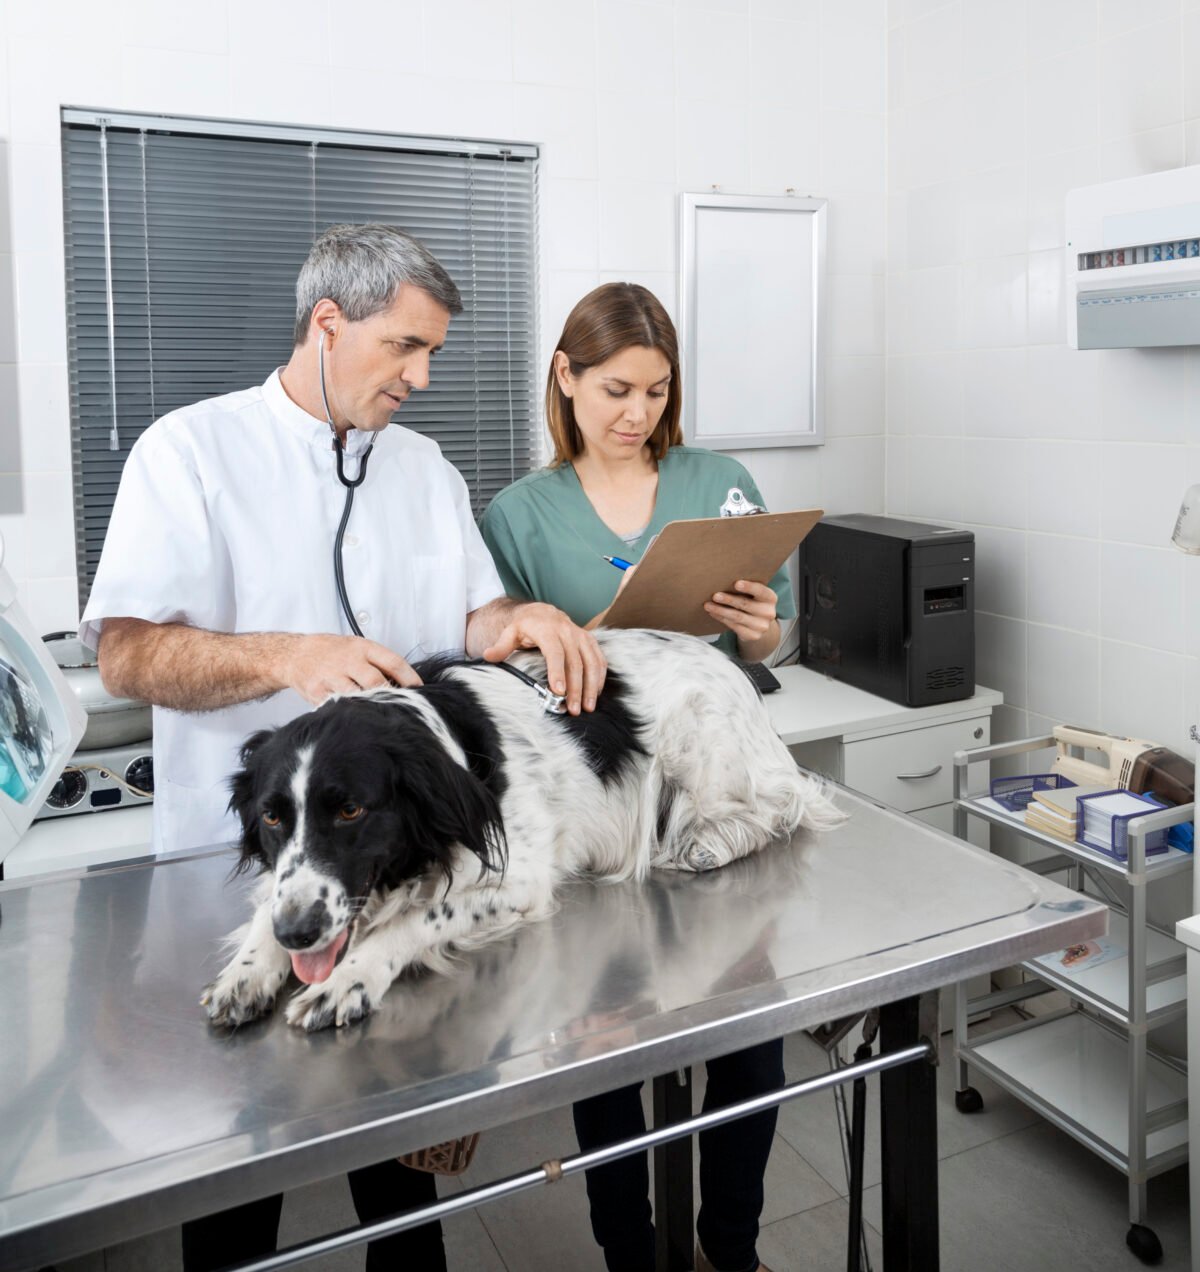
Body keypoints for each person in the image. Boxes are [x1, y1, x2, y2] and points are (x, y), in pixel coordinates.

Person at [80, 223, 606, 1272]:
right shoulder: (189, 452)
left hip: (401, 881)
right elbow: (128, 658)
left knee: (406, 1177)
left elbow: (471, 613)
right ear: (328, 325)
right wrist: (287, 655)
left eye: (433, 355)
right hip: (241, 880)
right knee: (237, 1162)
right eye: (404, 348)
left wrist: (513, 624)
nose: (420, 376)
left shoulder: (421, 466)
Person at [480, 282, 791, 1272]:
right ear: (565, 378)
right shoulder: (519, 514)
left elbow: (776, 625)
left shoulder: (719, 480)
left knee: (749, 1041)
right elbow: (501, 668)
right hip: (602, 808)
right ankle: (631, 1250)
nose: (637, 414)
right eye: (616, 389)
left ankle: (729, 1245)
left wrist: (765, 628)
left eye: (657, 393)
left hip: (717, 787)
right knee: (605, 1039)